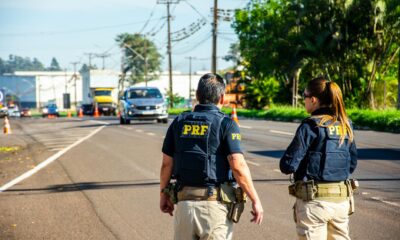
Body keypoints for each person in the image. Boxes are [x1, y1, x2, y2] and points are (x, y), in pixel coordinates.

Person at [160, 73, 263, 240]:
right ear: (222, 98)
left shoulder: (179, 122)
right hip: (213, 209)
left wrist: (163, 195)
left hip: (184, 206)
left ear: (197, 96)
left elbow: (166, 164)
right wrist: (255, 200)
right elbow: (237, 166)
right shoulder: (226, 124)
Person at [280, 77, 358, 240]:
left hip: (314, 203)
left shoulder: (310, 125)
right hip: (341, 202)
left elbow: (288, 165)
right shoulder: (346, 124)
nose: (304, 101)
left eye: (304, 96)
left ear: (313, 100)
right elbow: (351, 164)